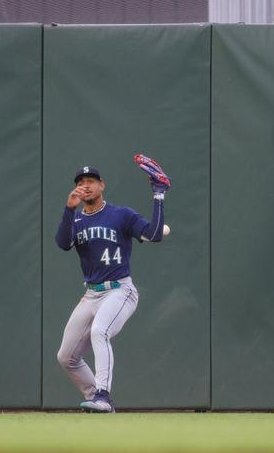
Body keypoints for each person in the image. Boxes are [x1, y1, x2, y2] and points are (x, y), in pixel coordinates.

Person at [55, 158, 170, 413]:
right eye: (81, 183)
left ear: (102, 185)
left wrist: (158, 195)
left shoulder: (121, 215)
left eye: (91, 182)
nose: (85, 186)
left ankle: (103, 397)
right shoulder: (75, 221)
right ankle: (94, 397)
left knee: (100, 331)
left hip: (120, 290)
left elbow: (153, 235)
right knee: (66, 356)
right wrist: (69, 209)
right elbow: (63, 243)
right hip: (91, 294)